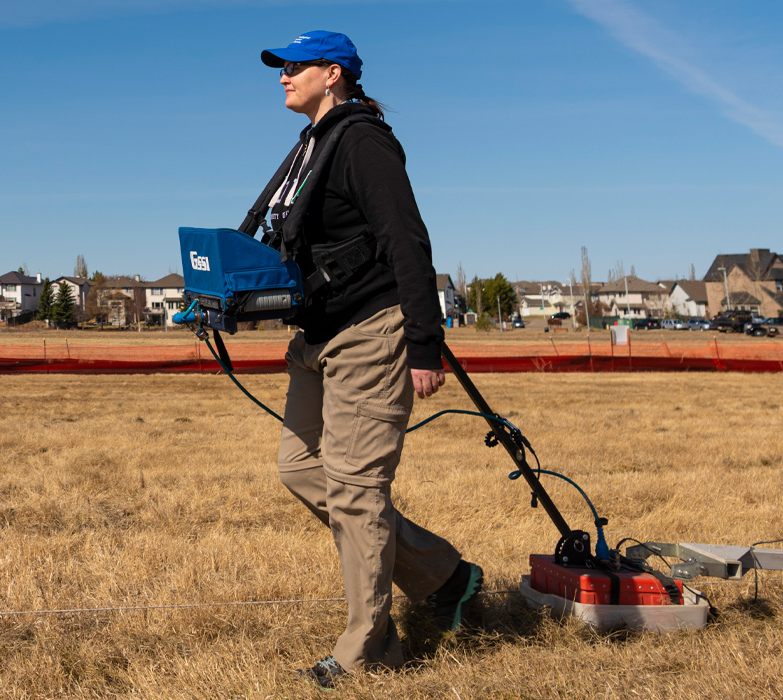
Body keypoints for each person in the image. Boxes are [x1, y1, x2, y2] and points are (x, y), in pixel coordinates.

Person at [253, 30, 482, 688]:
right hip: (316, 338)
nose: (282, 77)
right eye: (280, 68)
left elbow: (406, 239)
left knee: (357, 493)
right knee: (300, 468)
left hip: (370, 332)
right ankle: (443, 574)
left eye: (294, 67)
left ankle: (369, 650)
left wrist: (424, 341)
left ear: (335, 74)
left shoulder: (362, 140)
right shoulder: (308, 149)